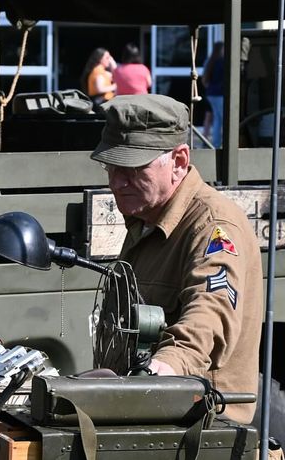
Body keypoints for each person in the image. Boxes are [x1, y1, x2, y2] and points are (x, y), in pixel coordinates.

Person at [90, 94, 262, 424]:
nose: (116, 182)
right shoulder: (148, 216)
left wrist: (160, 368)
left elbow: (209, 316)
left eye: (133, 169)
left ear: (179, 161)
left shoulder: (212, 227)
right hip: (147, 412)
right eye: (111, 167)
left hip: (199, 427)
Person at [202, 40, 225, 147]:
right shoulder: (221, 62)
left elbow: (205, 79)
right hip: (219, 94)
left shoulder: (209, 61)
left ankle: (215, 143)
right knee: (222, 119)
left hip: (210, 93)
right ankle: (219, 143)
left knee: (217, 119)